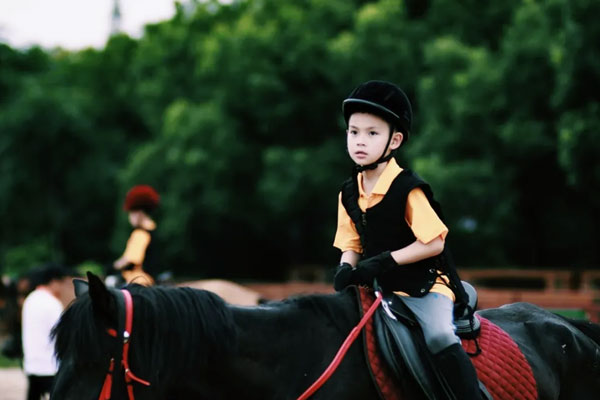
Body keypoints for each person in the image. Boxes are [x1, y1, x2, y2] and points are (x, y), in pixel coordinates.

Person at [332, 80, 482, 399]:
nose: (360, 141)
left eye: (372, 133)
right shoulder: (348, 193)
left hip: (424, 287)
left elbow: (434, 242)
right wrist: (345, 269)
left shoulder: (407, 189)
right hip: (378, 291)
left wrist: (385, 260)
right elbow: (351, 244)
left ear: (394, 140)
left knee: (440, 336)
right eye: (354, 131)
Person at [21, 263, 74, 400]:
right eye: (61, 282)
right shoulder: (51, 303)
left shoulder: (30, 299)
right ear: (54, 282)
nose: (62, 287)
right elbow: (61, 333)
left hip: (32, 363)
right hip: (50, 365)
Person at [113, 184, 160, 286]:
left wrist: (112, 266)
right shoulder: (154, 229)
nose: (130, 217)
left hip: (140, 279)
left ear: (139, 213)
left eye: (131, 213)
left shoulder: (140, 233)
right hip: (153, 278)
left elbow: (130, 260)